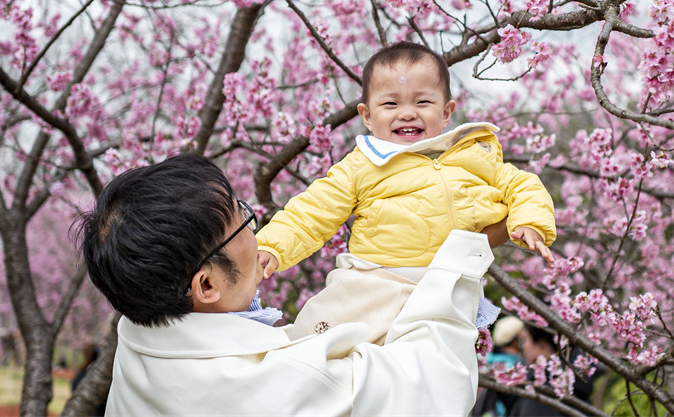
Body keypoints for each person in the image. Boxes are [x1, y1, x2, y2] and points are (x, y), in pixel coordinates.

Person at [78, 153, 493, 415]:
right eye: (241, 220)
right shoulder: (286, 381)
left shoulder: (136, 334)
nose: (255, 230)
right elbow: (434, 386)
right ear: (205, 285)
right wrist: (461, 254)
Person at [257, 41, 557, 342]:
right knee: (316, 340)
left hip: (444, 288)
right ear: (367, 116)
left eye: (422, 103)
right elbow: (314, 210)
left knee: (414, 364)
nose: (407, 113)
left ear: (446, 112)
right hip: (373, 280)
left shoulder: (475, 155)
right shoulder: (363, 165)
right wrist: (273, 246)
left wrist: (529, 223)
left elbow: (523, 184)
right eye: (390, 104)